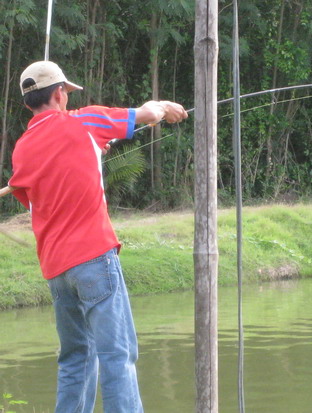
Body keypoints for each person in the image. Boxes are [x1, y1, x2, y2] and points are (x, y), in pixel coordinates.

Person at [9, 60, 188, 413]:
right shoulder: (83, 122)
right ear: (60, 94)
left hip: (56, 270)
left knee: (76, 358)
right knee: (117, 355)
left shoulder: (22, 149)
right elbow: (146, 113)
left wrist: (91, 150)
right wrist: (166, 108)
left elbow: (38, 198)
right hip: (93, 257)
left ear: (29, 103)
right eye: (67, 93)